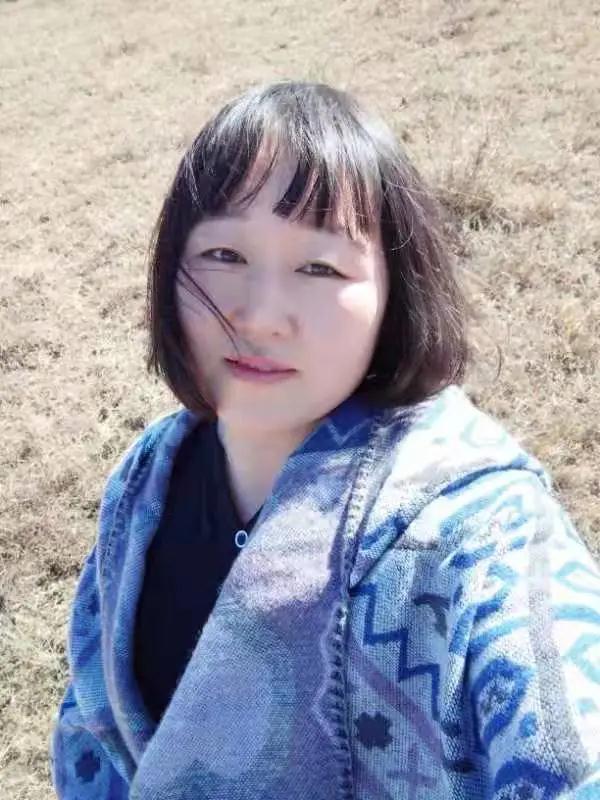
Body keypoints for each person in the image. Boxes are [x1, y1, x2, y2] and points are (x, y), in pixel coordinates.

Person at [50, 81, 600, 799]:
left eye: (319, 267)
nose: (259, 316)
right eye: (223, 254)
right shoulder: (145, 476)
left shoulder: (479, 532)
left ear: (395, 295)